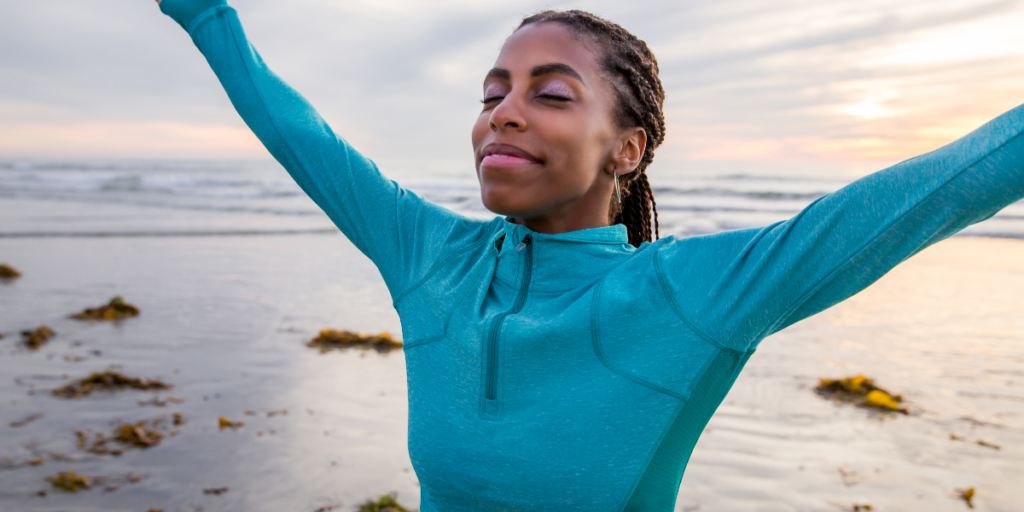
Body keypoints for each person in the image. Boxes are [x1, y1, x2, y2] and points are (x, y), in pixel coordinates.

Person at [155, 0, 1024, 510]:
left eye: (551, 94)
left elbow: (934, 190)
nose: (502, 110)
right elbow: (296, 130)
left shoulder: (691, 295)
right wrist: (204, 13)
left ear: (628, 150)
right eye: (493, 92)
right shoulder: (431, 258)